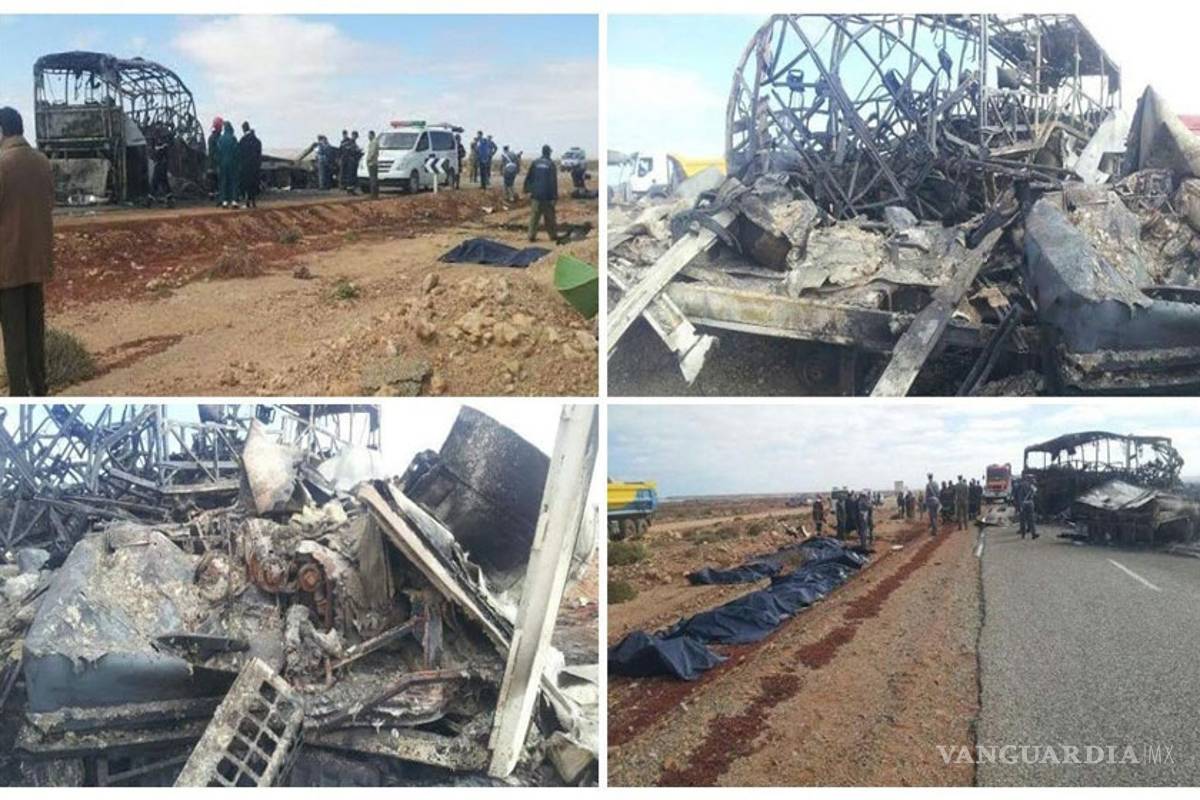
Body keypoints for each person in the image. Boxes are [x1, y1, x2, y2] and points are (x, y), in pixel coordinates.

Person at [0, 108, 53, 396]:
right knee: (35, 332)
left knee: (14, 335)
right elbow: (49, 203)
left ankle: (18, 394)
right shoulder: (42, 162)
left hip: (7, 266)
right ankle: (40, 388)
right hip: (37, 263)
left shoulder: (2, 163)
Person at [524, 144, 559, 242]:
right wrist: (554, 196)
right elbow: (553, 182)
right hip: (547, 196)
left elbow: (529, 177)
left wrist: (527, 189)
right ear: (549, 152)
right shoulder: (551, 164)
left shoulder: (535, 163)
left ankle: (531, 235)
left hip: (536, 194)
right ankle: (553, 236)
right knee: (549, 217)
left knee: (534, 217)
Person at [238, 121, 262, 209]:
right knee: (254, 183)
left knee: (246, 184)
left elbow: (239, 154)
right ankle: (253, 202)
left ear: (243, 129)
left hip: (246, 166)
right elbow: (259, 155)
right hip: (255, 166)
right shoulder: (257, 141)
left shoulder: (243, 140)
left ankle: (247, 202)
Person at [149, 125, 174, 207]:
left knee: (155, 181)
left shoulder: (163, 144)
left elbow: (159, 152)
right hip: (161, 164)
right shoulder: (162, 143)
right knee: (164, 182)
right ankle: (170, 200)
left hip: (161, 164)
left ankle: (149, 200)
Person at [217, 121, 240, 209]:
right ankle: (234, 200)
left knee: (223, 182)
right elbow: (237, 152)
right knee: (233, 182)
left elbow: (218, 153)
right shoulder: (233, 138)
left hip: (223, 163)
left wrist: (219, 163)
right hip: (232, 164)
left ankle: (224, 201)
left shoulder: (220, 139)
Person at [207, 116, 223, 196]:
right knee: (217, 180)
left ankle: (212, 194)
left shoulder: (211, 138)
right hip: (217, 163)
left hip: (211, 163)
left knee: (212, 181)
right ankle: (216, 194)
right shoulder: (219, 138)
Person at [366, 130, 380, 199]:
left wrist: (368, 159)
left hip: (372, 163)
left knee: (373, 179)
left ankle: (374, 194)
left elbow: (372, 152)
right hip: (373, 162)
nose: (368, 136)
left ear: (372, 135)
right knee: (374, 178)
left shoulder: (374, 142)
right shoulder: (373, 142)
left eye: (369, 135)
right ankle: (374, 194)